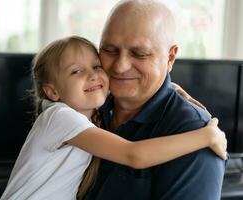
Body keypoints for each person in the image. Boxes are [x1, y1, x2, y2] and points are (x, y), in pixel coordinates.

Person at [0, 36, 226, 200]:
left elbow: (133, 86)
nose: (92, 75)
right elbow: (133, 154)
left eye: (96, 66)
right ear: (53, 92)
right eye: (76, 71)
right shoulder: (60, 117)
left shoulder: (88, 111)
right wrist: (207, 136)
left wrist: (174, 89)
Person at [84, 1, 226, 200]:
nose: (119, 66)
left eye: (139, 54)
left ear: (170, 58)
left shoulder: (194, 134)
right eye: (110, 50)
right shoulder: (86, 106)